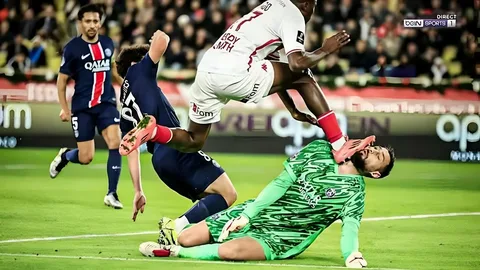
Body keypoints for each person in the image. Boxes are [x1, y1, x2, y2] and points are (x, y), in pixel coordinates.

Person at [119, 0, 374, 163]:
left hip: (207, 68)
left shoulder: (272, 6)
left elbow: (280, 69)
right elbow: (296, 66)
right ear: (308, 4)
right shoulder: (295, 15)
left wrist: (293, 110)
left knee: (194, 140)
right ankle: (339, 145)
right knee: (305, 77)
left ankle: (153, 132)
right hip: (235, 70)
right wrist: (325, 49)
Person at [139, 139, 395, 268]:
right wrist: (247, 215)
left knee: (230, 252)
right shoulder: (320, 149)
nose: (372, 150)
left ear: (375, 174)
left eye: (378, 156)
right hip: (257, 212)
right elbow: (280, 184)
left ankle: (173, 253)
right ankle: (185, 243)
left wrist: (351, 255)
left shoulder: (355, 194)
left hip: (281, 237)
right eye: (375, 147)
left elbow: (350, 228)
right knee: (187, 237)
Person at [114, 31, 237, 243]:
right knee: (228, 193)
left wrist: (138, 190)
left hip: (160, 163)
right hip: (173, 146)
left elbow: (129, 149)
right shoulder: (139, 70)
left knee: (210, 198)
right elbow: (163, 39)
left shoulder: (124, 101)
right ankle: (175, 227)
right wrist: (155, 37)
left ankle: (192, 234)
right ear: (135, 63)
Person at [49, 4, 124, 209]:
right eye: (88, 21)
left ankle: (112, 193)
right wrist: (65, 108)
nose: (92, 25)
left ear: (100, 22)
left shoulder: (108, 43)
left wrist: (127, 84)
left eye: (95, 21)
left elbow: (113, 71)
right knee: (86, 157)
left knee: (115, 141)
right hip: (82, 107)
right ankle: (65, 155)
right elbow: (62, 81)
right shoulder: (72, 49)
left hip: (107, 103)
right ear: (80, 23)